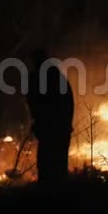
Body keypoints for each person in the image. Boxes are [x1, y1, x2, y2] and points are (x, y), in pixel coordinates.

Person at [26, 48, 74, 187]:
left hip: (51, 130)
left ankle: (48, 198)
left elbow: (37, 104)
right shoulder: (58, 77)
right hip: (62, 130)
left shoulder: (41, 78)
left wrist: (38, 123)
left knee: (46, 165)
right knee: (59, 167)